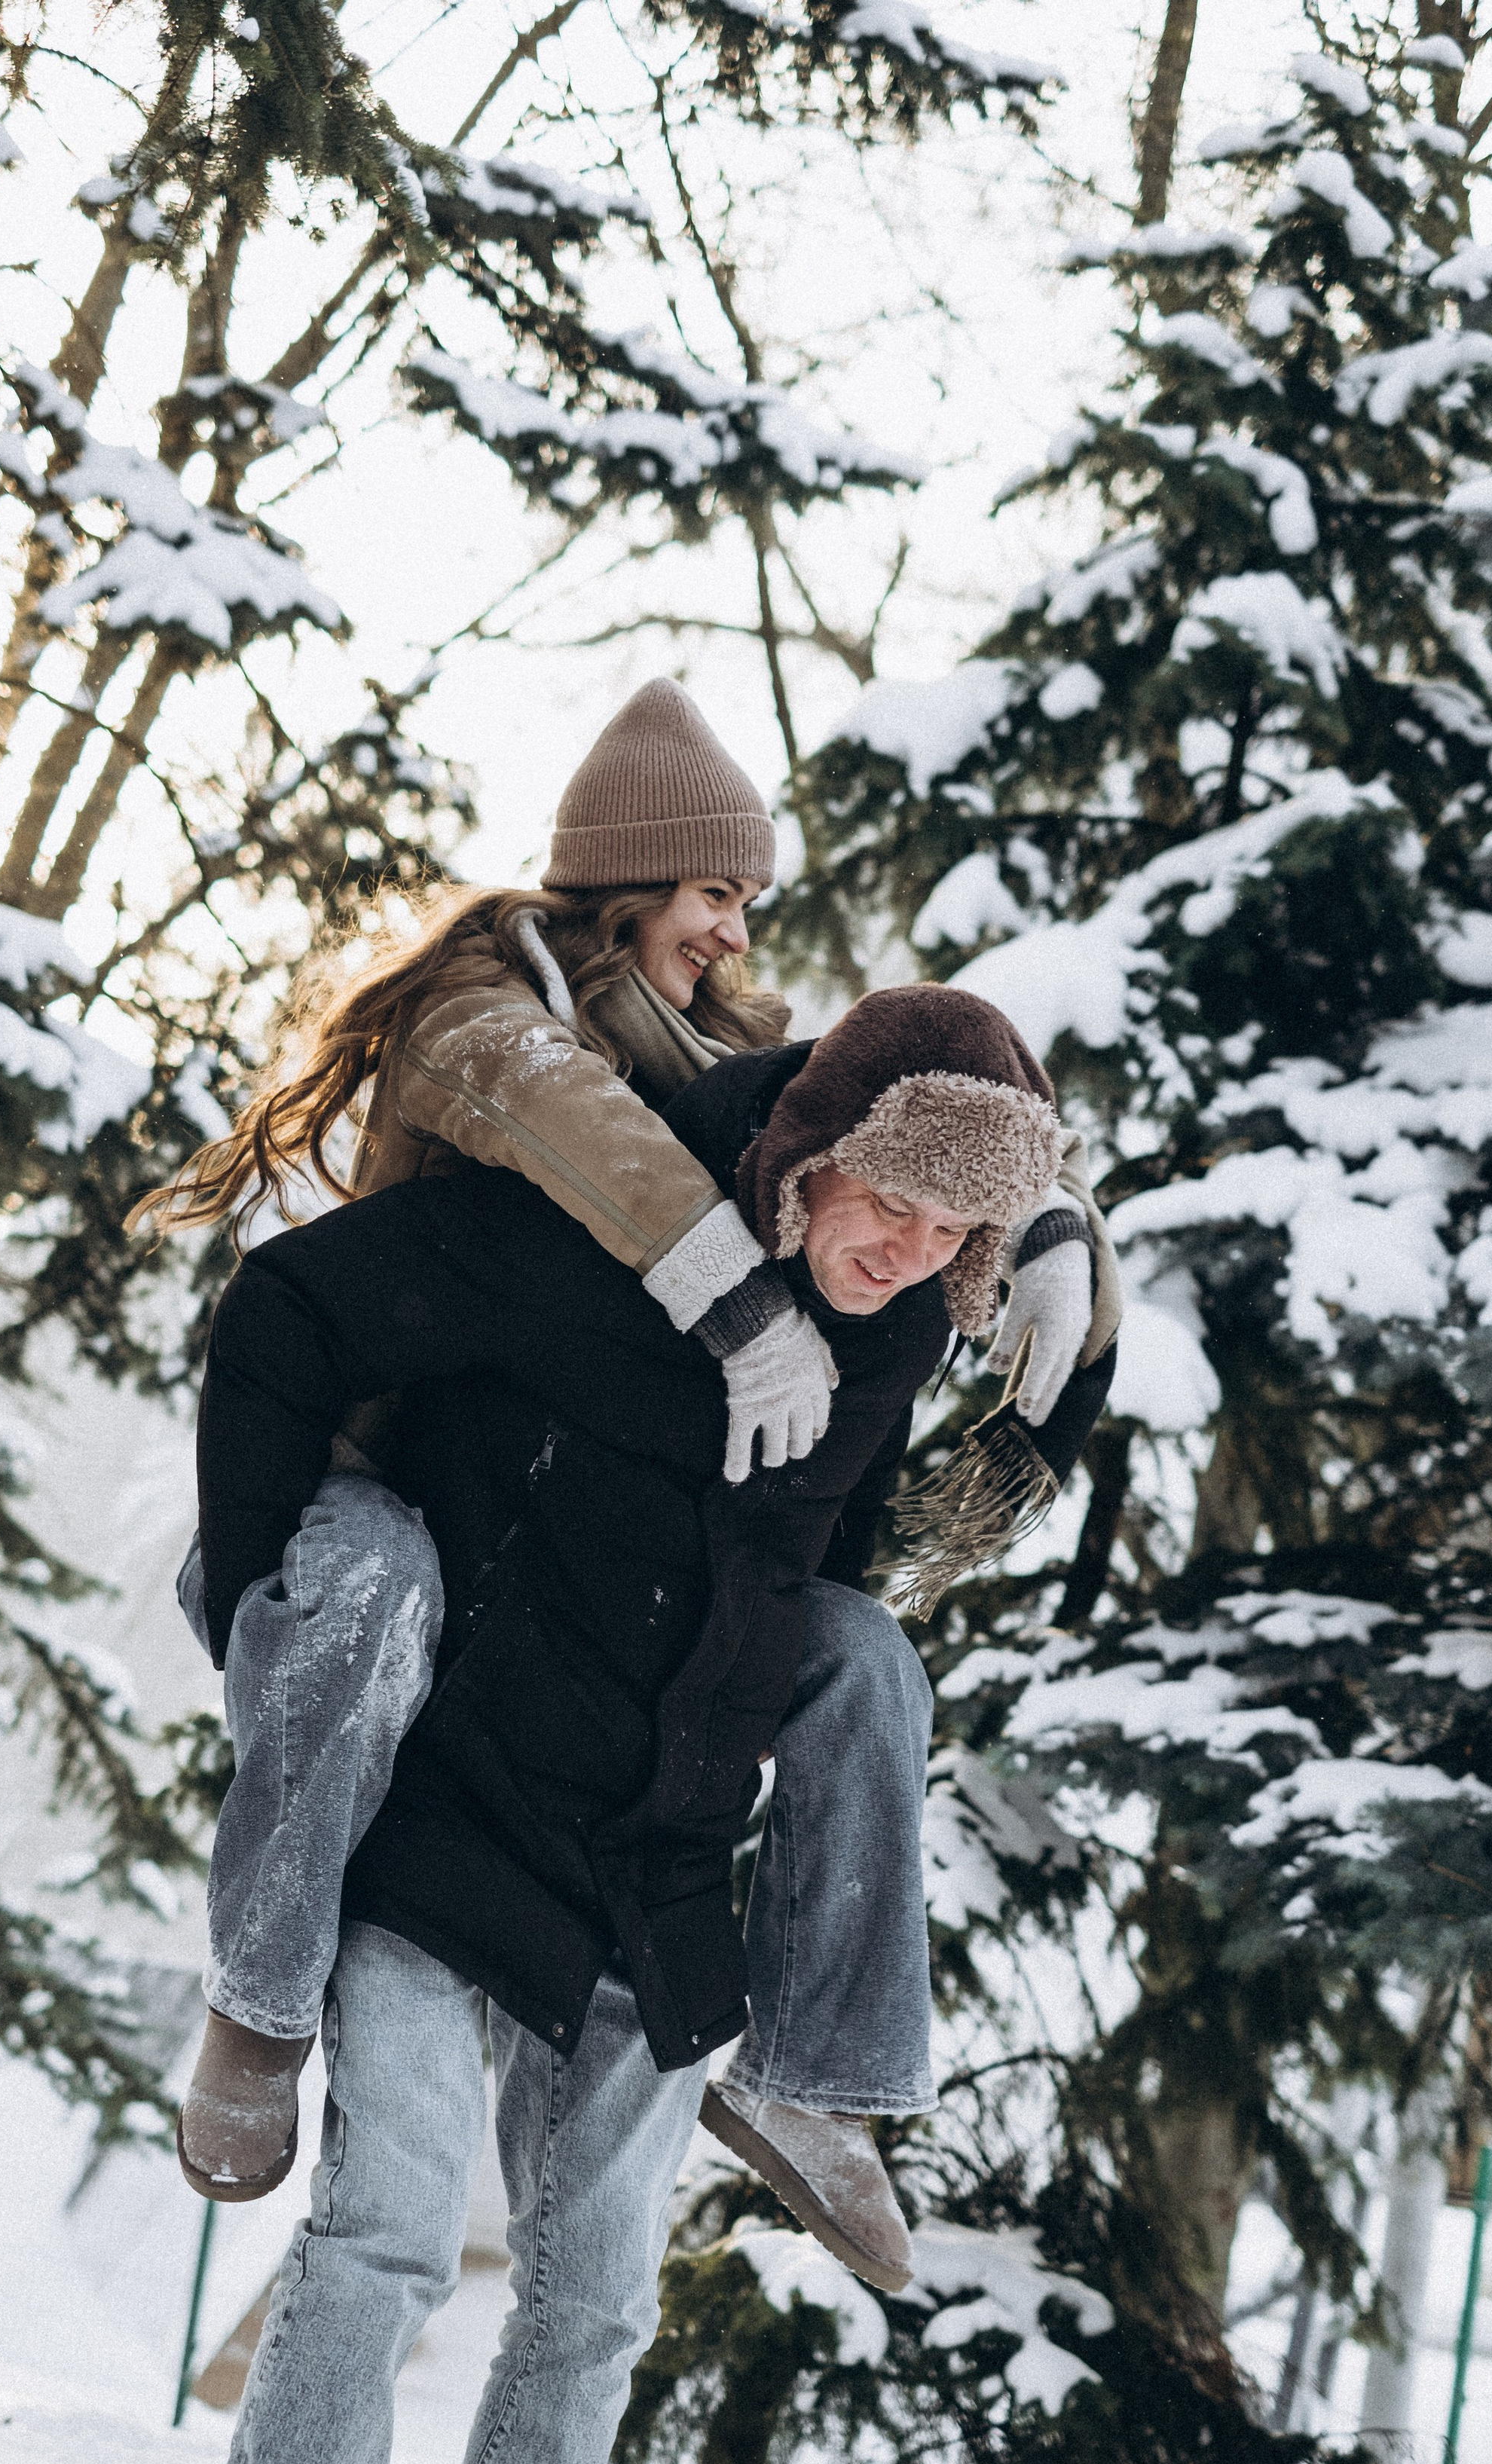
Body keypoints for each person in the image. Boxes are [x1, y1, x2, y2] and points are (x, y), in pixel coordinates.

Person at [166, 980, 1103, 2464]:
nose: (902, 1250)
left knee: (592, 2310)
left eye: (949, 1230)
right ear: (807, 1158)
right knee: (385, 2237)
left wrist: (1057, 1276)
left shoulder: (891, 1325)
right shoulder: (578, 1235)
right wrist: (273, 1599)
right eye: (885, 1201)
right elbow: (282, 1311)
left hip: (651, 1862)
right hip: (449, 1816)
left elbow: (813, 1563)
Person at [140, 683, 1121, 2294]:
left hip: (566, 1539)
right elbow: (587, 1130)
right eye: (714, 894)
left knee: (862, 1661)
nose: (735, 935)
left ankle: (818, 2085)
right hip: (367, 1499)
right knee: (377, 1584)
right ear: (625, 883)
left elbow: (895, 1091)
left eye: (748, 906)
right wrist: (739, 1305)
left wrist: (1046, 1220)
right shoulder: (488, 1011)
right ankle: (255, 2003)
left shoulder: (703, 1044)